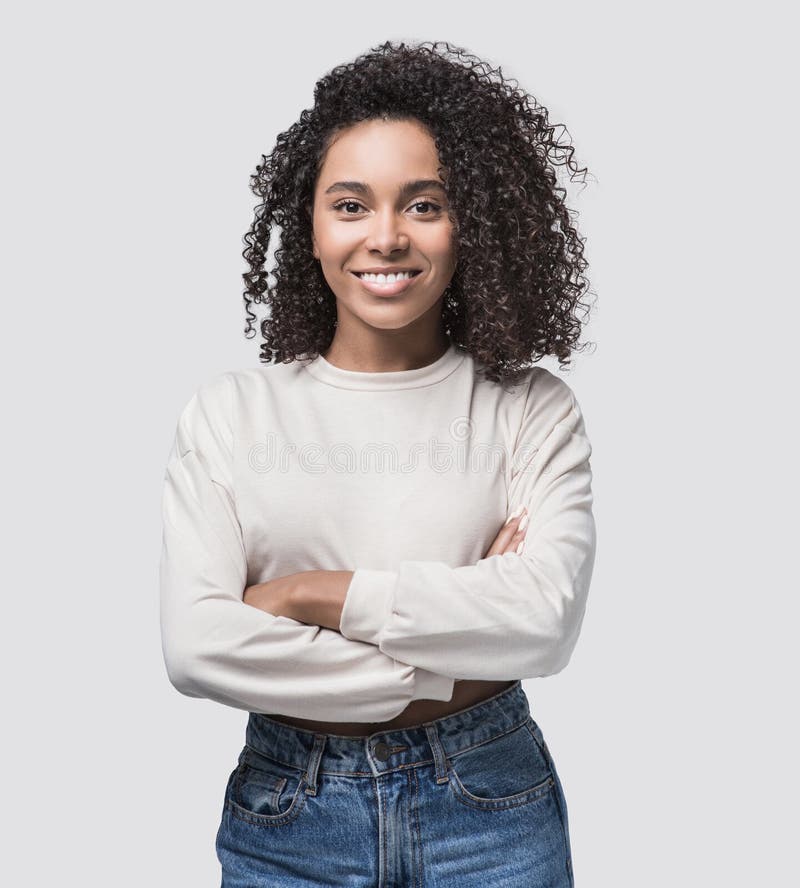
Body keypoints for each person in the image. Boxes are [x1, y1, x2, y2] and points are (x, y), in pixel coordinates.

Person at [159, 39, 596, 887]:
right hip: (290, 811)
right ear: (311, 225)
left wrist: (310, 596)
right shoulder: (230, 413)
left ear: (472, 220)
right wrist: (444, 658)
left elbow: (545, 620)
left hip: (491, 803)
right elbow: (198, 647)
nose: (386, 238)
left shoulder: (529, 407)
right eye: (351, 205)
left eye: (424, 204)